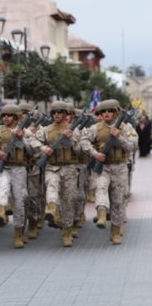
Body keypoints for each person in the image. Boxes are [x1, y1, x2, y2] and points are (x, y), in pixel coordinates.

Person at [80, 99, 138, 244]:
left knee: (118, 200)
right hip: (103, 166)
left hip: (120, 167)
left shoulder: (126, 128)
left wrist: (119, 136)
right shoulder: (95, 128)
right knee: (101, 188)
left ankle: (115, 230)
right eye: (103, 111)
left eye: (110, 111)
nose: (106, 113)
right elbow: (84, 141)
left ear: (116, 112)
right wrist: (95, 154)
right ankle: (101, 213)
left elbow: (132, 146)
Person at [0, 104, 34, 248]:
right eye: (4, 115)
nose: (6, 118)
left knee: (19, 201)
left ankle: (18, 233)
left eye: (9, 115)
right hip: (3, 167)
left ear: (17, 117)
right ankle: (0, 213)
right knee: (1, 189)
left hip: (19, 169)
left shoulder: (26, 132)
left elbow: (31, 152)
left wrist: (23, 139)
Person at [33, 101, 82, 247]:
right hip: (52, 167)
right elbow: (32, 141)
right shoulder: (46, 130)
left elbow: (80, 150)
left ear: (66, 114)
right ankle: (52, 210)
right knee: (51, 188)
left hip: (70, 169)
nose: (57, 115)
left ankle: (66, 232)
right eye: (54, 112)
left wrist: (71, 138)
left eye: (60, 112)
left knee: (69, 199)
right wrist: (43, 148)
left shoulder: (74, 130)